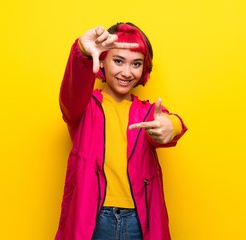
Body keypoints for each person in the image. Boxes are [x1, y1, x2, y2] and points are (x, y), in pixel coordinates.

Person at [55, 22, 187, 240]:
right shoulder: (84, 107)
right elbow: (70, 93)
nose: (127, 72)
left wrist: (170, 126)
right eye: (118, 61)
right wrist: (82, 54)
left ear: (144, 69)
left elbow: (170, 122)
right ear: (103, 60)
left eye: (136, 63)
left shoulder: (147, 112)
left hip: (138, 220)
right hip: (94, 219)